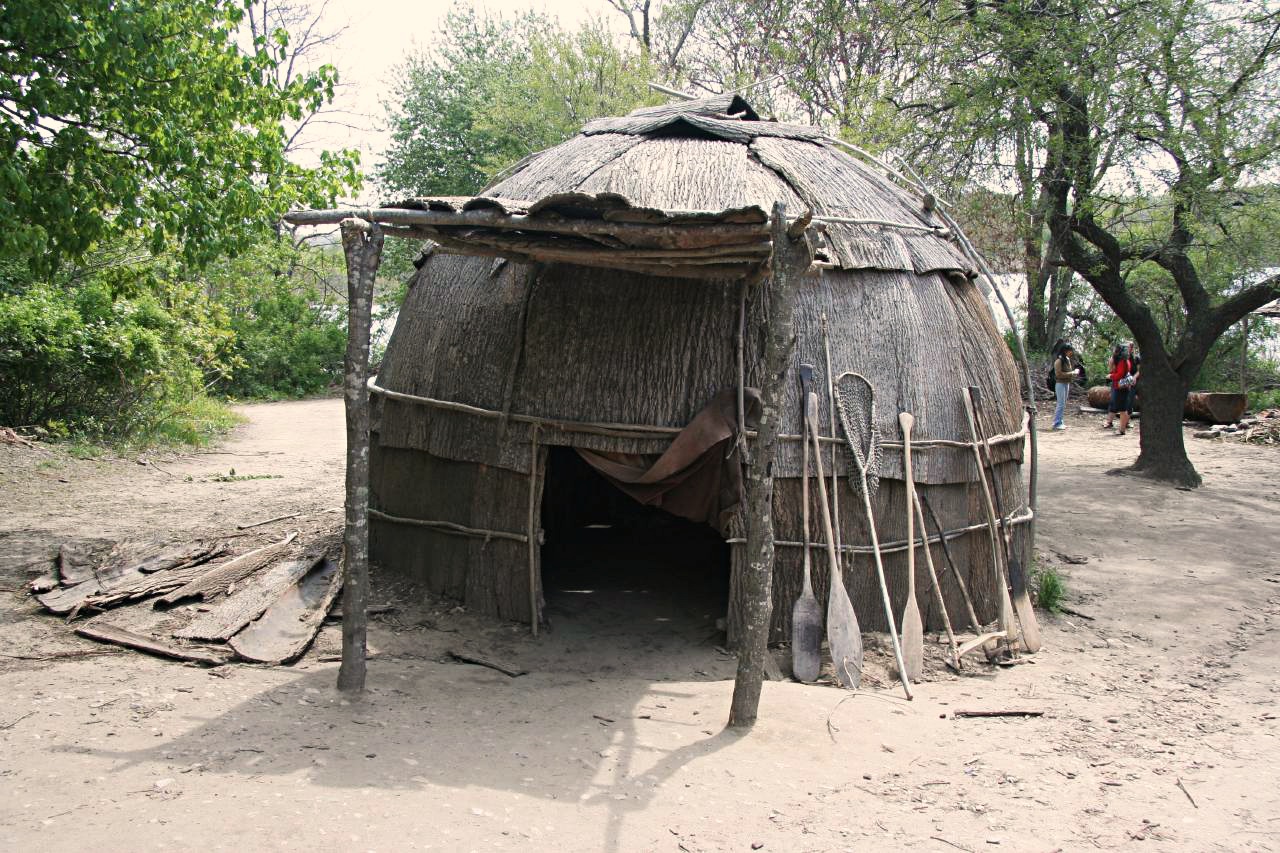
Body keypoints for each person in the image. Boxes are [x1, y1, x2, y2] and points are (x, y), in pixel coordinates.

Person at [1104, 342, 1141, 434]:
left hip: (1122, 387)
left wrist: (1110, 376)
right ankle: (1120, 428)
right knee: (1121, 408)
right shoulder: (1122, 360)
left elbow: (1120, 374)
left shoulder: (1123, 361)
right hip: (1122, 386)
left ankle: (1122, 429)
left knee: (1123, 409)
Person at [1052, 342, 1083, 430]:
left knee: (1063, 404)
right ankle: (1056, 423)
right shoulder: (1058, 361)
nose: (1071, 352)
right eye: (1070, 351)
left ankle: (1060, 421)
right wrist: (1072, 373)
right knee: (1060, 404)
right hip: (1060, 384)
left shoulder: (1067, 360)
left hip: (1066, 383)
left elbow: (1067, 372)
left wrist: (1073, 373)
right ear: (1065, 351)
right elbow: (1058, 374)